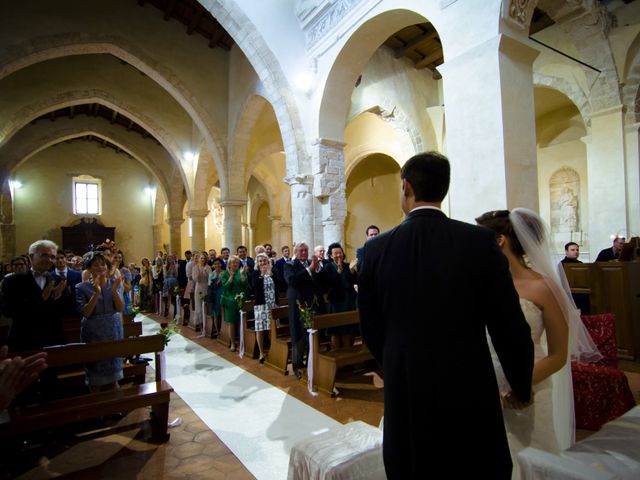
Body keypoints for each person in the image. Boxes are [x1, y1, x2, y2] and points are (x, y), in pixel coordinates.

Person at [357, 152, 534, 479]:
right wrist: (521, 385)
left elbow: (371, 328)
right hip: (469, 388)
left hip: (407, 392)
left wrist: (397, 361)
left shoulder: (375, 250)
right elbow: (509, 326)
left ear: (406, 188)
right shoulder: (480, 242)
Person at [477, 208, 602, 478]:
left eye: (479, 238)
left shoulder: (544, 287)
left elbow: (558, 354)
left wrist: (520, 384)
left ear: (499, 240)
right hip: (486, 389)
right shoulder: (480, 285)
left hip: (531, 385)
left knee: (532, 461)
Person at [1, 240, 68, 351]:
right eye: (44, 255)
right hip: (24, 340)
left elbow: (65, 311)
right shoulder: (12, 281)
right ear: (31, 257)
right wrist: (42, 299)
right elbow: (9, 311)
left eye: (52, 257)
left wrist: (57, 296)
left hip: (53, 340)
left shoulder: (58, 280)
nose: (49, 260)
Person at [75, 251, 124, 392]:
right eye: (96, 265)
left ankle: (115, 409)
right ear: (89, 268)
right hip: (93, 331)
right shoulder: (81, 287)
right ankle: (97, 410)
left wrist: (114, 291)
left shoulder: (114, 284)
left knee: (113, 374)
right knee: (95, 375)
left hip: (113, 329)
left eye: (103, 264)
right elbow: (86, 312)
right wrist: (96, 293)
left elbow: (120, 308)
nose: (100, 267)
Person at [323, 242, 358, 349]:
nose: (338, 255)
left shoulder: (348, 266)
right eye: (335, 253)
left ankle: (347, 357)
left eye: (340, 252)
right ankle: (336, 357)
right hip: (336, 302)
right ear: (330, 255)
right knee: (336, 330)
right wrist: (338, 273)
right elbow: (329, 284)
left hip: (348, 300)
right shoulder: (328, 267)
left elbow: (355, 281)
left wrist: (352, 271)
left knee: (348, 329)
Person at [251, 253, 279, 364]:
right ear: (257, 263)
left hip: (272, 304)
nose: (263, 263)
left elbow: (281, 285)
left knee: (272, 328)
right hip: (260, 305)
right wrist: (261, 275)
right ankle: (261, 352)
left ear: (268, 262)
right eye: (260, 261)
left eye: (264, 261)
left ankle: (273, 350)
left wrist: (271, 274)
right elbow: (254, 288)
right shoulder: (255, 273)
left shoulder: (273, 272)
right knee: (260, 328)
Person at [220, 255, 249, 352]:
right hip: (230, 301)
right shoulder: (225, 273)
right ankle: (232, 343)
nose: (235, 264)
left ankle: (242, 341)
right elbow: (225, 287)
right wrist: (231, 277)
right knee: (232, 323)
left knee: (242, 321)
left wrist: (241, 275)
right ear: (229, 264)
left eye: (237, 262)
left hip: (241, 300)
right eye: (233, 262)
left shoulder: (241, 271)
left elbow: (245, 285)